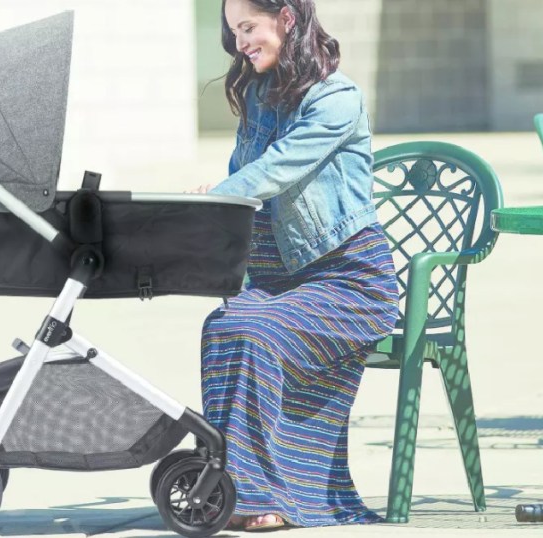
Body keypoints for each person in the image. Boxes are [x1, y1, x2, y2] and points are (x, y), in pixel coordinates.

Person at [190, 0, 400, 531]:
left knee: (256, 331)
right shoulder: (260, 94)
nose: (240, 42)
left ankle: (270, 498)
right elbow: (249, 176)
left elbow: (277, 169)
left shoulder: (337, 97)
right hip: (278, 279)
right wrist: (212, 201)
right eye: (234, 31)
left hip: (350, 283)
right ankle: (235, 489)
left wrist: (218, 197)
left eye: (249, 27)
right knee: (226, 326)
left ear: (287, 18)